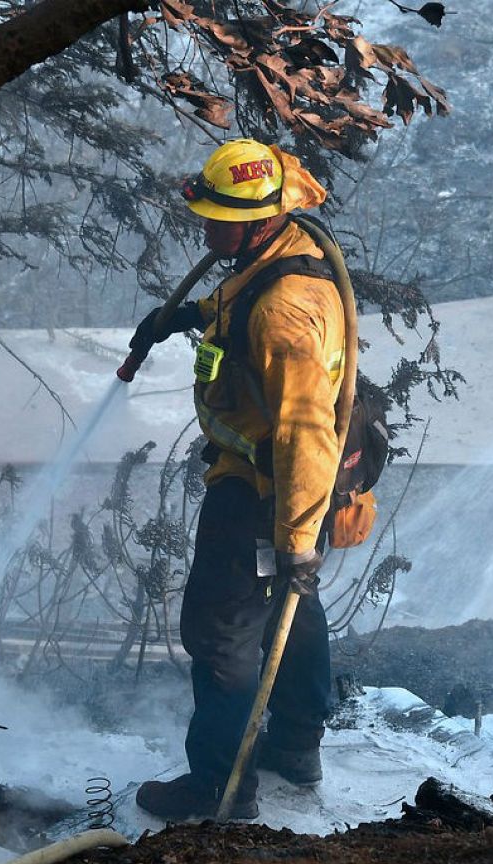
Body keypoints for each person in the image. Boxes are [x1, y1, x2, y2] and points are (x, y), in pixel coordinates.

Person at [129, 139, 346, 821]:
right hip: (286, 488)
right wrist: (189, 316)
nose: (206, 231)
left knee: (221, 632)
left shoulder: (285, 314)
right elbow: (244, 302)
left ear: (260, 220)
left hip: (262, 493)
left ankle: (219, 787)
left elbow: (306, 429)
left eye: (219, 220)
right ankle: (297, 748)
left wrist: (297, 539)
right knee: (292, 609)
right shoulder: (281, 252)